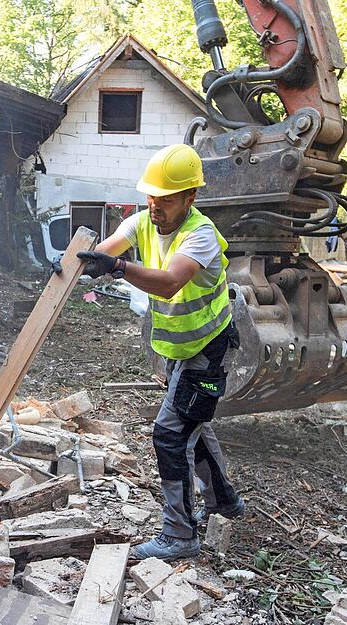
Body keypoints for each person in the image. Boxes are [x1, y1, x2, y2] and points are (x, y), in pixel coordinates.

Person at [76, 144, 245, 561]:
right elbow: (108, 250)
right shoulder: (143, 221)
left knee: (171, 434)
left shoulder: (200, 235)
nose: (156, 206)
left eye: (167, 198)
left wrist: (117, 269)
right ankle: (223, 501)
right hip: (178, 347)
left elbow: (170, 282)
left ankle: (180, 535)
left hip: (206, 348)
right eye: (152, 196)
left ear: (191, 197)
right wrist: (76, 264)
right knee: (192, 425)